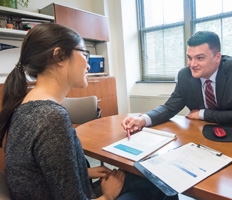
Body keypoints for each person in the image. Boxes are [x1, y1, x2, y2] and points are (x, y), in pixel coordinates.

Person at [0, 23, 172, 200]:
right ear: (59, 56)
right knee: (163, 183)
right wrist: (108, 196)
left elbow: (40, 173)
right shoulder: (51, 118)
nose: (89, 66)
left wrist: (84, 171)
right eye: (84, 54)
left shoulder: (25, 107)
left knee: (150, 175)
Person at [122, 31, 232, 132]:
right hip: (207, 130)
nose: (192, 64)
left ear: (217, 57)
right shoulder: (185, 75)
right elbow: (169, 108)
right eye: (190, 57)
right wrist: (142, 120)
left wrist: (202, 114)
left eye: (200, 58)